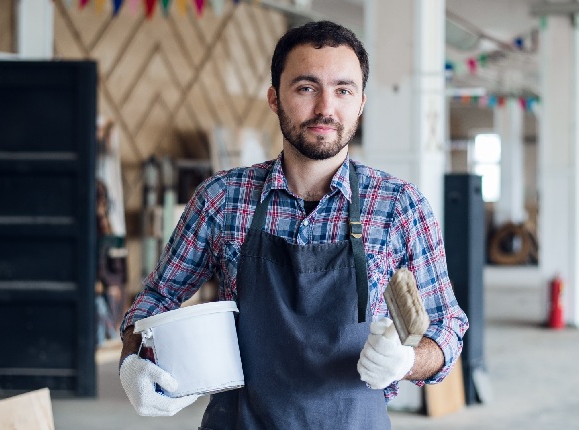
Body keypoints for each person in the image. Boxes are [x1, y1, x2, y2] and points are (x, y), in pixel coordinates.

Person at [118, 20, 468, 429]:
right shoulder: (222, 199)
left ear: (360, 103)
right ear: (274, 98)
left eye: (343, 90)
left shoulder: (399, 207)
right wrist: (133, 361)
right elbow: (156, 300)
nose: (325, 108)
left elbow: (448, 329)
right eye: (306, 88)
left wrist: (407, 361)